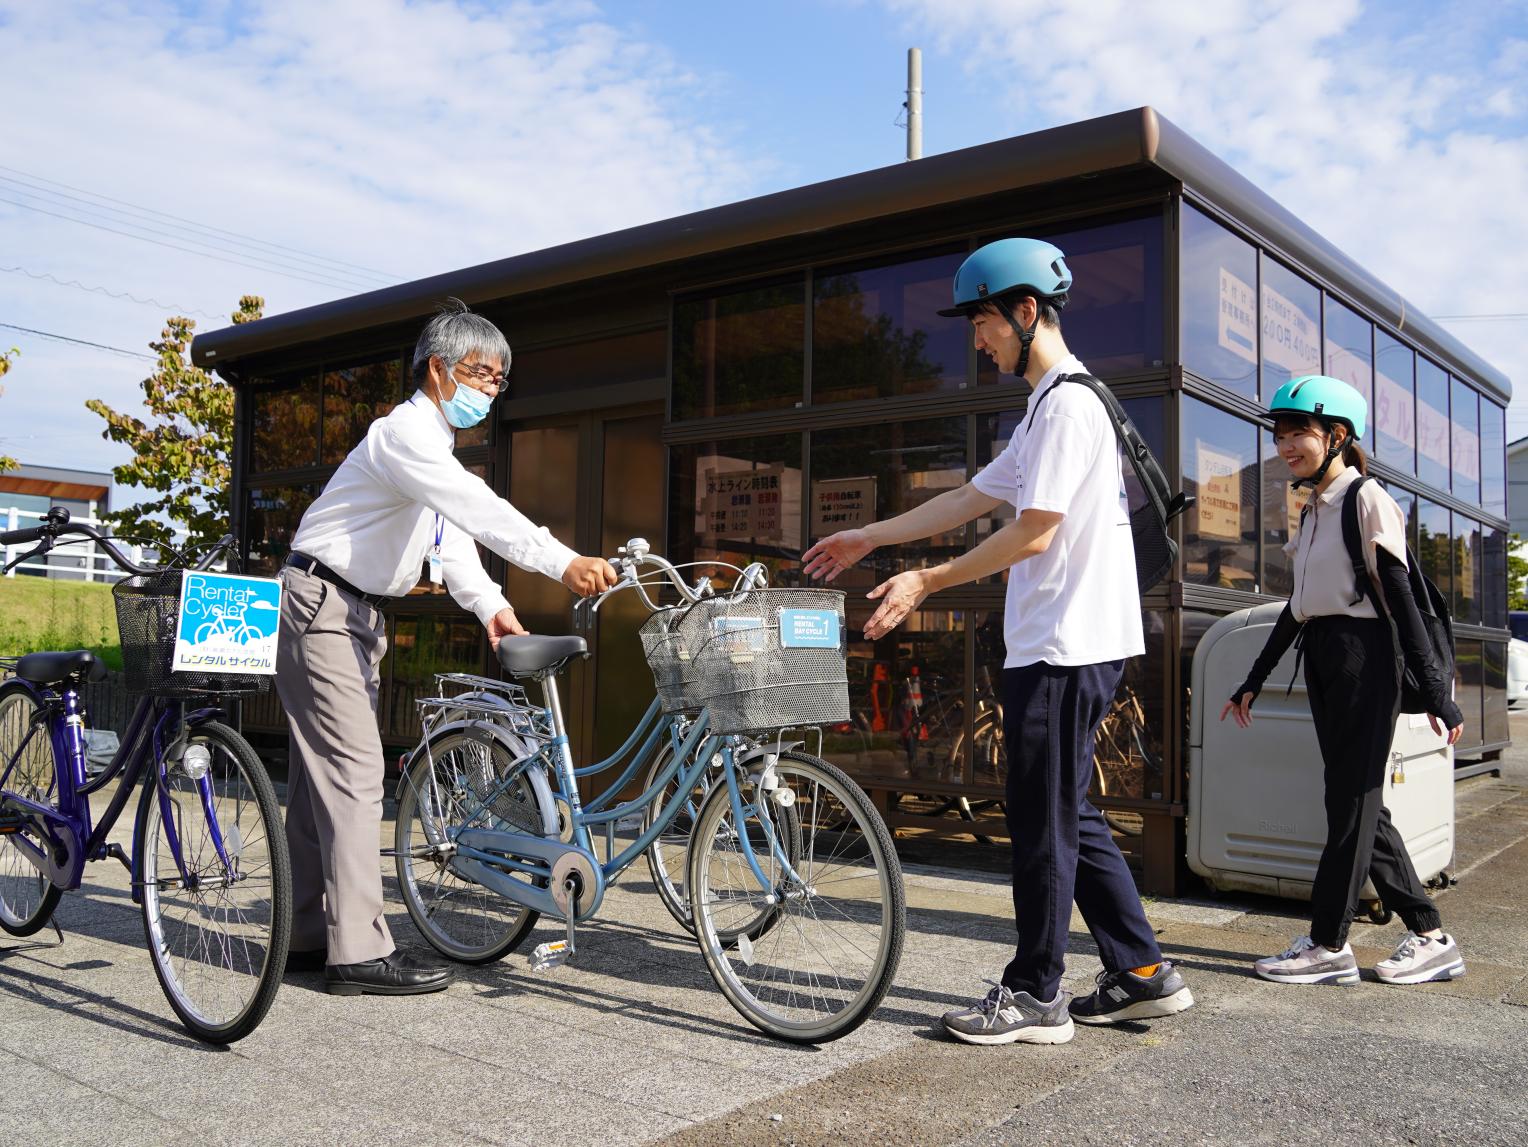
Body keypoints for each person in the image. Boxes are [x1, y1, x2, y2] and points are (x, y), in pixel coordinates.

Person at [803, 239, 1193, 1046]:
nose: (976, 341)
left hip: (1063, 644)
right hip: (1065, 642)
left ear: (1024, 311)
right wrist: (871, 537)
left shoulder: (1071, 405)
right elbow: (973, 497)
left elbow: (1035, 532)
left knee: (1043, 819)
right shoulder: (1047, 408)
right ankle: (1143, 971)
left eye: (981, 320)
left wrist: (927, 583)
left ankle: (1036, 992)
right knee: (1068, 811)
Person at [276, 299, 617, 996]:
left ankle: (309, 937)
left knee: (322, 782)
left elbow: (451, 539)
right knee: (355, 771)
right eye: (479, 373)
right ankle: (357, 952)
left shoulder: (429, 452)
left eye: (498, 379)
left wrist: (492, 608)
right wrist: (561, 560)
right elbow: (474, 508)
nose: (489, 389)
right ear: (437, 370)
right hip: (321, 602)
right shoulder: (403, 434)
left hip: (349, 610)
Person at [1222, 375, 1467, 986]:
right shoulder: (1314, 510)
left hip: (1366, 657)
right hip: (1327, 655)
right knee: (1358, 803)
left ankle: (1329, 943)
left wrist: (1437, 693)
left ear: (1337, 436)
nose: (1285, 446)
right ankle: (1431, 934)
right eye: (1279, 435)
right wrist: (1254, 678)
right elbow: (1297, 606)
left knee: (1350, 803)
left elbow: (1402, 595)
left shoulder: (1365, 499)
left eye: (1298, 432)